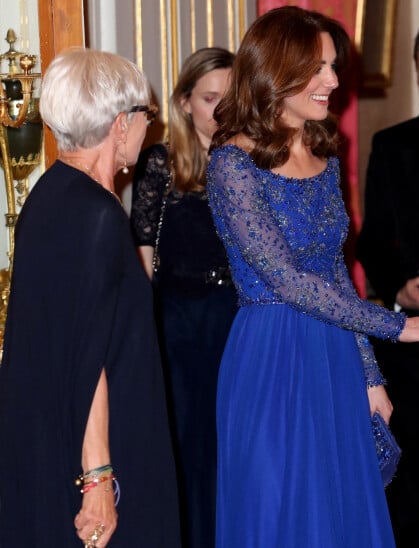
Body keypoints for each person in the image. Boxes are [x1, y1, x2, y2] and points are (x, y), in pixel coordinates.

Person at [206, 5, 419, 548]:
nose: (334, 81)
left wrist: (369, 375)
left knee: (341, 517)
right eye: (318, 69)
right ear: (276, 70)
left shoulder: (323, 147)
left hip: (334, 353)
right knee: (280, 515)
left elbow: (334, 269)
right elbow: (288, 281)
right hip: (271, 362)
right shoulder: (232, 164)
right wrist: (398, 326)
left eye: (333, 66)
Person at [0, 48, 180, 547]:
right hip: (104, 449)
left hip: (53, 441)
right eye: (147, 115)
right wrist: (99, 480)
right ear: (120, 124)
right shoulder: (97, 215)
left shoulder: (48, 196)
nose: (151, 127)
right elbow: (88, 359)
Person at [130, 47, 237, 548]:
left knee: (233, 444)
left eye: (230, 98)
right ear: (184, 102)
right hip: (177, 324)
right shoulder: (161, 163)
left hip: (236, 321)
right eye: (209, 98)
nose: (220, 110)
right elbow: (143, 257)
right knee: (186, 444)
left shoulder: (253, 161)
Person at [356, 19, 419, 547]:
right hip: (409, 347)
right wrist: (400, 294)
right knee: (408, 493)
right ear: (414, 71)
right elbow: (370, 243)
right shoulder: (390, 145)